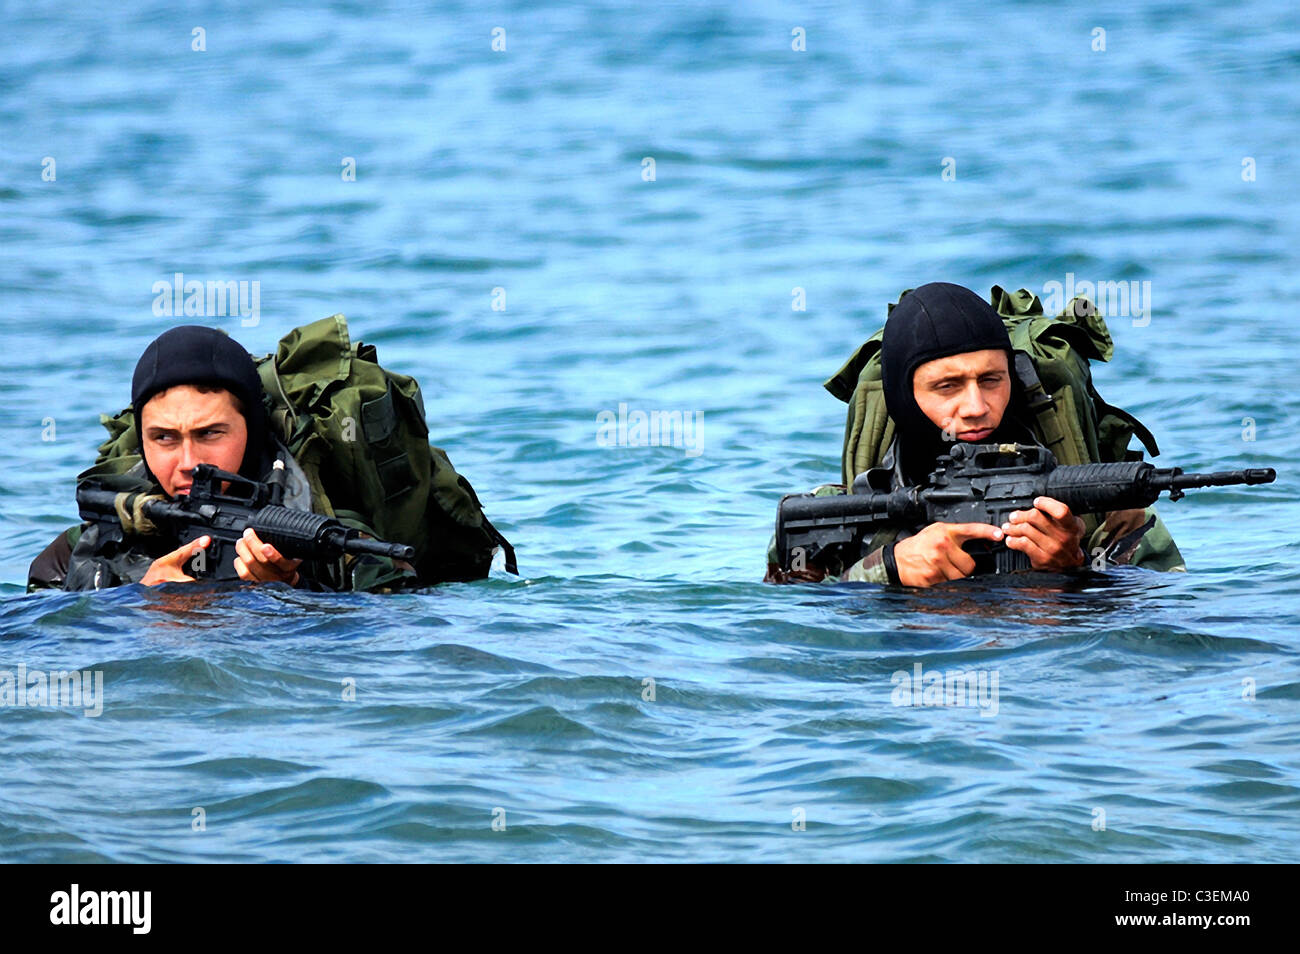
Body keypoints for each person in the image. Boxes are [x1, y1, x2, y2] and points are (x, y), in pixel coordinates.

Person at [765, 282, 1184, 587]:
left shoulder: (1104, 510)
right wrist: (885, 571)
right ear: (902, 397)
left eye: (991, 380)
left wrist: (1072, 567)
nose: (976, 407)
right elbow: (790, 638)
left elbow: (1159, 626)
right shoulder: (832, 517)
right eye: (946, 386)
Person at [27, 325, 417, 592]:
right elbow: (42, 638)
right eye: (163, 438)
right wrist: (140, 602)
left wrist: (289, 593)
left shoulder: (330, 541)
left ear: (252, 429)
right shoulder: (82, 548)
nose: (189, 462)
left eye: (210, 433)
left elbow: (391, 638)